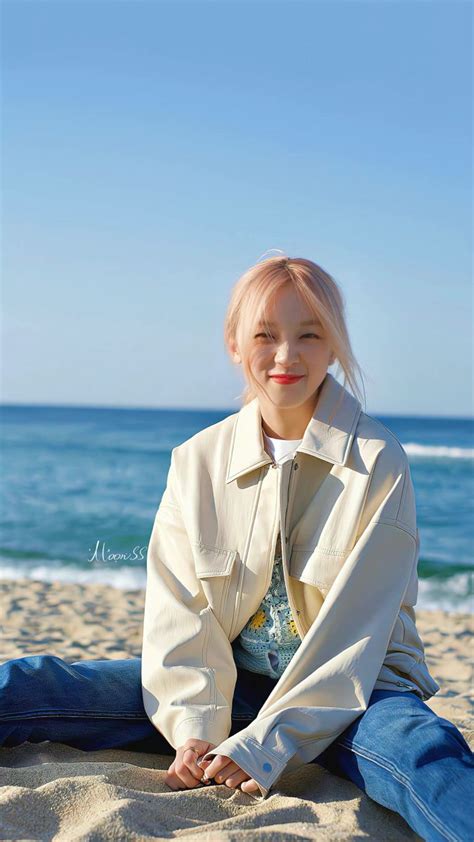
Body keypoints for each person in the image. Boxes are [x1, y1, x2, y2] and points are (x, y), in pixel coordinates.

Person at [1, 254, 472, 842]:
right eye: (265, 335)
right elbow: (182, 608)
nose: (285, 355)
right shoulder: (196, 459)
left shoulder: (377, 460)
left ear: (334, 346)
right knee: (33, 681)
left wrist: (268, 743)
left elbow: (354, 632)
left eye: (309, 334)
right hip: (231, 685)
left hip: (357, 696)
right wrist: (194, 727)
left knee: (427, 753)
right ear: (233, 343)